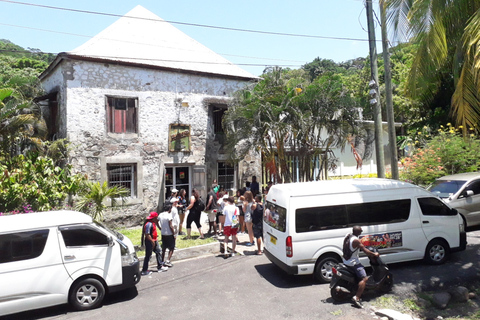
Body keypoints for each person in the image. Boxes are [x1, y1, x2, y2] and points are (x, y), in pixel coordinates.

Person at [342, 226, 379, 308]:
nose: (361, 233)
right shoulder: (356, 240)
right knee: (364, 278)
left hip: (345, 260)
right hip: (353, 263)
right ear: (358, 232)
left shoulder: (348, 235)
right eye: (361, 231)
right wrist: (374, 254)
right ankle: (357, 297)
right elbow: (366, 251)